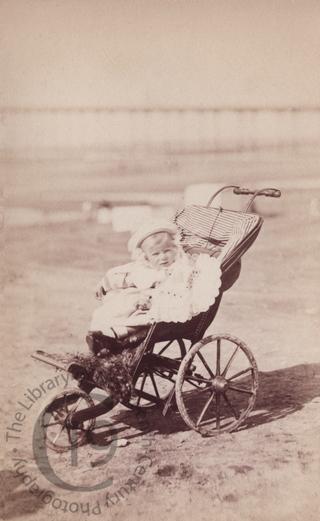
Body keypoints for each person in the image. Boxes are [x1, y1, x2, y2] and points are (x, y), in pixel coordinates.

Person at [87, 220, 222, 356]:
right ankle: (102, 336)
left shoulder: (180, 268)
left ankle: (117, 336)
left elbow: (181, 289)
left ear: (175, 249)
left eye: (167, 251)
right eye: (156, 254)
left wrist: (155, 298)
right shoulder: (145, 267)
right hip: (141, 304)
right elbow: (126, 274)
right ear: (147, 256)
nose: (162, 257)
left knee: (137, 318)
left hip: (162, 308)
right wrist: (104, 284)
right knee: (118, 304)